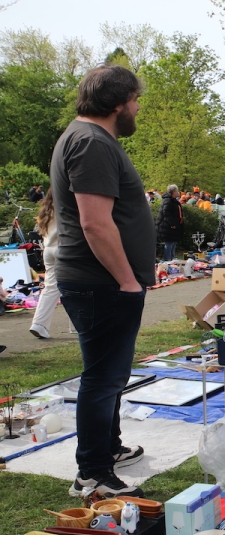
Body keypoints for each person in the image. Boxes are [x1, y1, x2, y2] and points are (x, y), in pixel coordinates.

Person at [51, 65, 153, 498]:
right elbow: (95, 223)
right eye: (134, 100)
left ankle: (108, 448)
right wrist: (127, 280)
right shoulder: (91, 142)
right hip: (102, 283)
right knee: (103, 377)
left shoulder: (88, 138)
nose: (137, 108)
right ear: (117, 104)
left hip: (102, 282)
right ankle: (92, 473)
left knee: (111, 373)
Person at [29, 189, 60, 339]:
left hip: (48, 249)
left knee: (50, 287)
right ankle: (77, 325)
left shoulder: (46, 210)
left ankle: (39, 323)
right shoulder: (65, 207)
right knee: (75, 286)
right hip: (63, 248)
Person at [156, 184, 183, 261]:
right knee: (169, 242)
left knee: (173, 242)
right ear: (173, 191)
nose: (178, 192)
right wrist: (172, 224)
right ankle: (168, 259)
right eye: (177, 191)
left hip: (175, 224)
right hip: (168, 226)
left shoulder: (173, 200)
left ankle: (172, 258)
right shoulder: (168, 200)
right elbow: (166, 212)